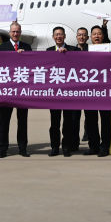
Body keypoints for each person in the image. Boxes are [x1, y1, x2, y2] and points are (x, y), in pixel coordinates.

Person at [0, 22, 31, 157]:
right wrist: (14, 55)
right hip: (6, 90)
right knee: (3, 121)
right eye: (13, 32)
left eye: (17, 31)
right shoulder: (2, 47)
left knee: (22, 120)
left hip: (22, 90)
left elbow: (32, 66)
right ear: (9, 32)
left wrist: (23, 56)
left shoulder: (27, 47)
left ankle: (22, 148)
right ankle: (2, 148)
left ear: (20, 32)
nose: (15, 34)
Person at [47, 26, 79, 157]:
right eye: (56, 34)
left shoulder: (74, 50)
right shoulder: (48, 51)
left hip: (68, 93)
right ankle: (54, 147)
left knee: (68, 122)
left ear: (65, 36)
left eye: (61, 34)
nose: (58, 36)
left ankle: (66, 147)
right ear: (53, 37)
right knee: (54, 123)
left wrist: (68, 55)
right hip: (54, 94)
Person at [84, 25, 111, 156]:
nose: (96, 36)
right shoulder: (85, 51)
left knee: (105, 120)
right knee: (91, 120)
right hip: (89, 92)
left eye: (99, 33)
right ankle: (93, 146)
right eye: (94, 34)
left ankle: (105, 147)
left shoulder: (109, 49)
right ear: (90, 37)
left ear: (103, 36)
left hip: (105, 92)